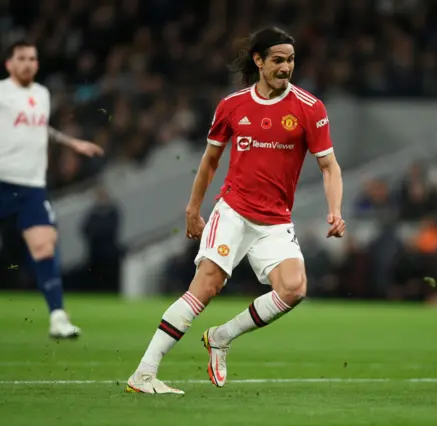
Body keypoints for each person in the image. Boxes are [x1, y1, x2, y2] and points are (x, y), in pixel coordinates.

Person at [126, 27, 345, 395]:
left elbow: (330, 167)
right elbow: (210, 161)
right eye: (278, 59)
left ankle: (222, 337)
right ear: (258, 61)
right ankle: (145, 373)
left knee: (294, 289)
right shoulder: (232, 106)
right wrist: (193, 209)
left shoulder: (310, 109)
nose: (286, 67)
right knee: (205, 287)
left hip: (275, 221)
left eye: (290, 60)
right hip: (233, 212)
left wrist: (335, 210)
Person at [0, 40, 104, 338]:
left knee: (44, 246)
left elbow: (40, 128)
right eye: (21, 58)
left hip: (32, 187)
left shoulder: (41, 94)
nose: (28, 63)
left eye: (32, 58)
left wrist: (73, 143)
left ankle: (58, 318)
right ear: (10, 64)